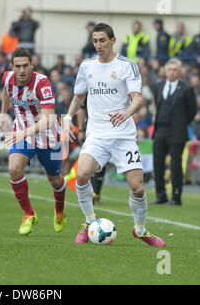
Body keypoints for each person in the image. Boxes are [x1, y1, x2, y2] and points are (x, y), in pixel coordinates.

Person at [64, 23, 165, 246]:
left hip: (123, 136)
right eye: (95, 41)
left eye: (102, 40)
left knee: (137, 187)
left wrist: (126, 112)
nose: (98, 45)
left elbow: (137, 97)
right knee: (81, 175)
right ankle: (90, 222)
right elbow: (78, 97)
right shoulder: (87, 66)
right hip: (97, 134)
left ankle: (140, 230)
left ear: (113, 40)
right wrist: (67, 119)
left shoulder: (127, 65)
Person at [0, 47, 66, 235]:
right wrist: (4, 112)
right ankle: (29, 214)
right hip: (23, 133)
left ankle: (59, 209)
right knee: (13, 168)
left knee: (54, 179)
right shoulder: (6, 78)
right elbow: (6, 90)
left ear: (32, 64)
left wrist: (24, 133)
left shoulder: (42, 83)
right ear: (12, 66)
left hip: (48, 137)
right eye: (17, 66)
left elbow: (48, 120)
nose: (21, 70)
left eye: (25, 66)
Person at [151, 58, 197, 205]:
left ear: (180, 71)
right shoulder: (158, 86)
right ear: (165, 71)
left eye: (175, 70)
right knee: (157, 164)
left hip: (177, 133)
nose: (171, 72)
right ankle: (160, 195)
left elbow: (192, 111)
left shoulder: (187, 89)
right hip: (160, 131)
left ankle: (176, 197)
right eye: (169, 69)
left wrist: (181, 123)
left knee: (176, 166)